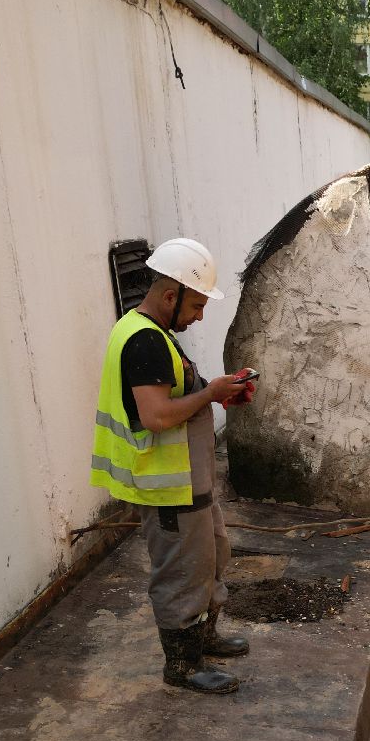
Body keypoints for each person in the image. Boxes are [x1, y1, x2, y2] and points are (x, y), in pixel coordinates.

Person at [90, 238, 255, 695]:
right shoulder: (145, 341)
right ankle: (182, 665)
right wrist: (211, 393)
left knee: (213, 556)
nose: (199, 316)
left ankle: (203, 637)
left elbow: (180, 397)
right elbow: (157, 415)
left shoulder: (153, 335)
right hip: (168, 489)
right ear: (170, 295)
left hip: (190, 481)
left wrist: (220, 392)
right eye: (197, 305)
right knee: (182, 573)